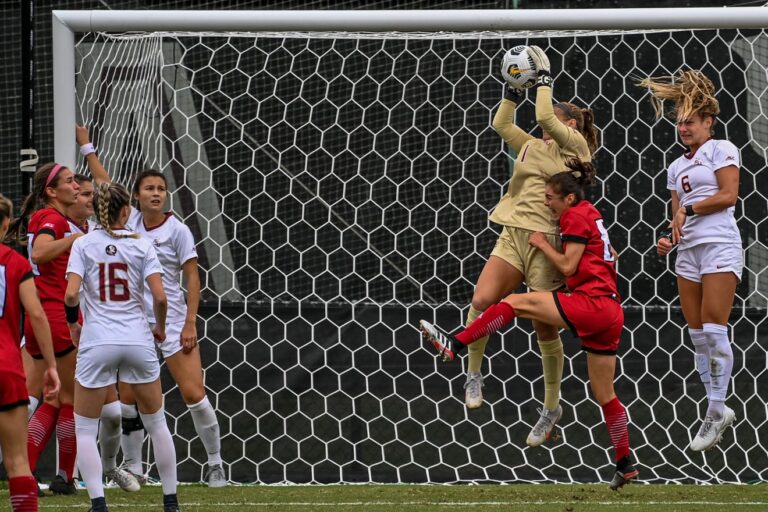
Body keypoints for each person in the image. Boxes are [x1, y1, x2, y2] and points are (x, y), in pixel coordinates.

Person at [420, 160, 638, 490]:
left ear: (568, 198)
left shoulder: (574, 215)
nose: (545, 202)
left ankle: (456, 344)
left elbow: (568, 266)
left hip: (593, 304)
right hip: (610, 311)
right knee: (605, 394)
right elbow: (612, 254)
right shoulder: (590, 212)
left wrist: (543, 244)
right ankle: (625, 463)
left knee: (513, 303)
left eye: (550, 197)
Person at [464, 45, 597, 448]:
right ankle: (473, 374)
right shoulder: (530, 146)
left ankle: (551, 406)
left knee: (544, 326)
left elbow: (543, 116)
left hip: (547, 241)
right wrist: (512, 89)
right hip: (513, 235)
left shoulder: (576, 149)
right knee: (481, 300)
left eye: (557, 119)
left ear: (570, 124)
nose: (545, 125)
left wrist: (543, 77)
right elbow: (501, 124)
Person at [82, 149, 226, 486]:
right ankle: (135, 467)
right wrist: (87, 148)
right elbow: (104, 182)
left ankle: (215, 463)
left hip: (173, 322)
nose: (157, 193)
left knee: (193, 393)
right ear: (135, 196)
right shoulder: (129, 221)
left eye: (161, 188)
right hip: (134, 324)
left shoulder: (178, 230)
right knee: (130, 400)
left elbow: (192, 278)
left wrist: (190, 323)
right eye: (149, 188)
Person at [65, 182, 180, 512]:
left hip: (98, 340)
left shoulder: (83, 244)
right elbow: (160, 297)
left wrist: (74, 325)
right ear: (127, 210)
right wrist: (160, 328)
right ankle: (170, 502)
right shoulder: (142, 244)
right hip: (137, 339)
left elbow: (71, 295)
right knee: (157, 423)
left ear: (97, 210)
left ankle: (99, 504)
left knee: (85, 429)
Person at [642, 70, 740, 451]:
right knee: (698, 336)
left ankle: (715, 411)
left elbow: (728, 195)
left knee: (715, 330)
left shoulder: (722, 149)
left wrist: (690, 209)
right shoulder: (676, 167)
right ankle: (717, 408)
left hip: (719, 245)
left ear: (708, 122)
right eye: (680, 122)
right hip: (689, 252)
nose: (683, 128)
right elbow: (677, 216)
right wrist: (669, 240)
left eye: (690, 122)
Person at [67, 146, 141, 493]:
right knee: (58, 404)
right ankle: (68, 477)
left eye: (89, 194)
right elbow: (44, 259)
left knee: (111, 415)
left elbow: (109, 189)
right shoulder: (73, 234)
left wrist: (88, 150)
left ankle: (108, 468)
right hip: (76, 328)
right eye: (80, 193)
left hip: (104, 336)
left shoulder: (101, 233)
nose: (87, 198)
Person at [7, 162, 81, 495]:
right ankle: (64, 477)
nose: (75, 186)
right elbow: (38, 253)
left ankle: (26, 469)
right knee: (70, 400)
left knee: (49, 398)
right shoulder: (54, 219)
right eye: (69, 181)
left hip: (42, 317)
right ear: (51, 191)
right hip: (56, 316)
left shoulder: (45, 217)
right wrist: (75, 239)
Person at [0, 193, 60, 511]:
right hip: (8, 368)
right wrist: (50, 366)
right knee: (17, 461)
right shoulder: (16, 262)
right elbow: (36, 315)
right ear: (6, 224)